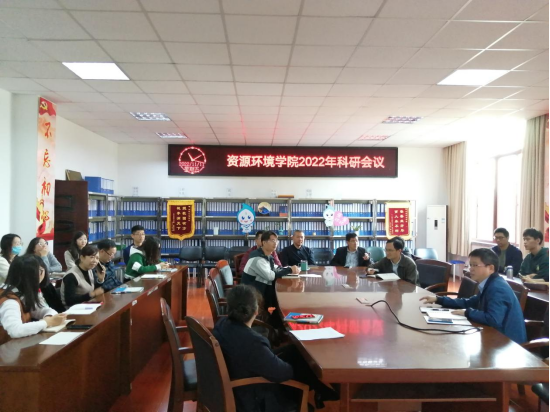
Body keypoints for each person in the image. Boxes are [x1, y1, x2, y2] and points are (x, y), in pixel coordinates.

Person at [213, 285, 338, 412]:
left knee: (294, 351)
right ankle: (320, 390)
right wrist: (292, 367)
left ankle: (320, 390)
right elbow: (283, 374)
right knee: (298, 366)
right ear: (256, 311)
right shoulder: (253, 342)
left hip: (241, 375)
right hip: (255, 396)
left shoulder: (222, 324)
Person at [420, 248, 527, 344]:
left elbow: (493, 319)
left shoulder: (497, 288)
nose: (470, 269)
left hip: (508, 343)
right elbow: (469, 302)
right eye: (470, 265)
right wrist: (439, 299)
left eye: (475, 265)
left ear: (490, 268)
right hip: (495, 336)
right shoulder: (490, 283)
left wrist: (467, 312)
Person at [0, 255, 66, 340]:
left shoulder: (21, 292)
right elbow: (15, 330)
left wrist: (49, 317)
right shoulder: (10, 300)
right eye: (41, 270)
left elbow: (41, 309)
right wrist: (46, 322)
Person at [242, 231, 299, 311]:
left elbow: (276, 268)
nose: (275, 243)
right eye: (272, 240)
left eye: (276, 240)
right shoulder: (257, 259)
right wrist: (290, 269)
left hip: (261, 292)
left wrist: (290, 268)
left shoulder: (268, 256)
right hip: (252, 297)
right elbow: (270, 276)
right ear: (264, 243)